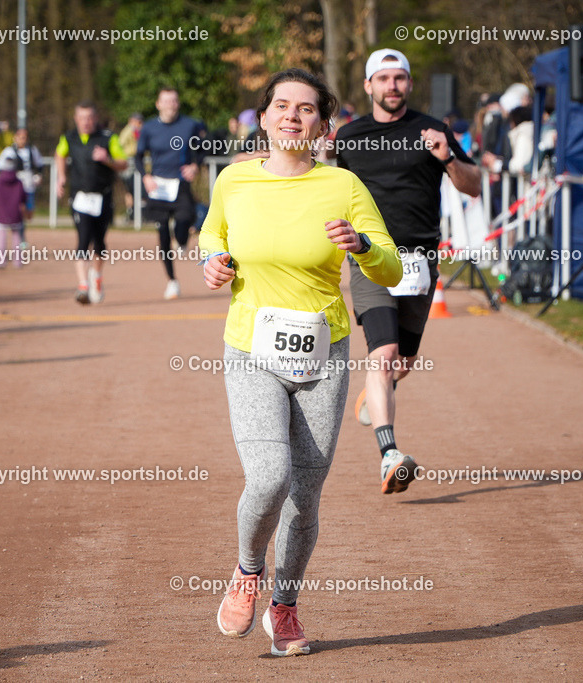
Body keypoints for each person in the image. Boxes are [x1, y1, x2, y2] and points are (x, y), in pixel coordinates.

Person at [200, 69, 401, 657]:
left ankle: (284, 608)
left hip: (324, 353)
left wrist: (362, 247)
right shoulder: (234, 181)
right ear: (262, 118)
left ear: (323, 124)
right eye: (281, 106)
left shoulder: (343, 186)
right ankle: (245, 573)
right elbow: (212, 235)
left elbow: (390, 267)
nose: (292, 116)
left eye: (306, 109)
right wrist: (213, 261)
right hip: (251, 349)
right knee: (268, 475)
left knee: (306, 495)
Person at [335, 49, 480, 494]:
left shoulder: (433, 131)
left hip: (419, 263)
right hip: (371, 257)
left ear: (409, 84)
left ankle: (374, 394)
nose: (392, 86)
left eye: (399, 78)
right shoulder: (349, 136)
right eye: (383, 79)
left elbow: (473, 185)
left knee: (402, 364)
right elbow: (318, 184)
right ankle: (389, 454)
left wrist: (448, 159)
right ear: (368, 86)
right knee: (382, 355)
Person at [135, 87, 207, 299]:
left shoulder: (189, 125)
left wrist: (194, 166)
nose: (170, 105)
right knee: (162, 232)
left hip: (180, 183)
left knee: (186, 218)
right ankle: (172, 281)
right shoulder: (148, 128)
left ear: (178, 103)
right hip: (157, 186)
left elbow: (202, 149)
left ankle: (183, 239)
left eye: (174, 101)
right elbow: (139, 157)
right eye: (166, 101)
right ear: (158, 104)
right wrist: (145, 177)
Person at [56, 102, 127, 303]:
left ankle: (96, 276)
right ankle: (83, 286)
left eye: (89, 118)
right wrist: (61, 177)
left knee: (99, 243)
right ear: (75, 119)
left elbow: (123, 163)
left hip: (103, 197)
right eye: (81, 118)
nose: (85, 122)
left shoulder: (108, 138)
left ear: (95, 119)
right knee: (82, 239)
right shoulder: (68, 137)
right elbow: (59, 154)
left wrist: (107, 159)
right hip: (79, 198)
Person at [0, 126, 43, 243]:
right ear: (15, 138)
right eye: (20, 137)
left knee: (28, 213)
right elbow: (0, 166)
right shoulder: (9, 151)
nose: (23, 140)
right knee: (19, 212)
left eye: (25, 137)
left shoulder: (32, 150)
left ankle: (20, 233)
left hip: (29, 185)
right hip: (15, 187)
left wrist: (38, 176)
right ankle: (20, 239)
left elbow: (40, 164)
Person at [0, 157, 26, 268]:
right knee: (16, 237)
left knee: (1, 237)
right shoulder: (18, 182)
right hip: (15, 213)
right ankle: (17, 261)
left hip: (1, 213)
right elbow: (23, 197)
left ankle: (1, 261)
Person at [117, 113, 143, 220]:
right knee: (131, 187)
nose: (140, 124)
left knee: (133, 189)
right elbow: (120, 144)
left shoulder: (135, 131)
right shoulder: (128, 131)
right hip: (129, 160)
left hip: (134, 159)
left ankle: (135, 213)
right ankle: (131, 212)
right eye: (139, 122)